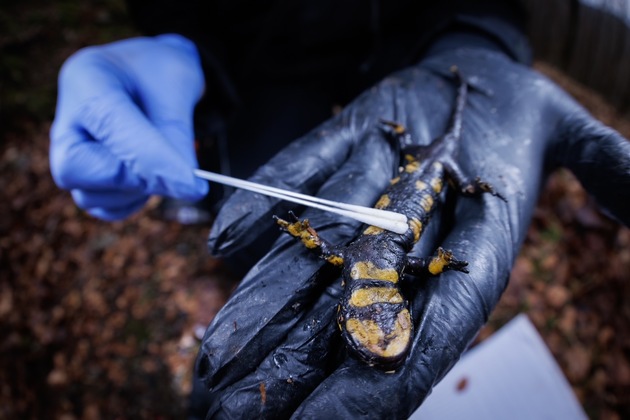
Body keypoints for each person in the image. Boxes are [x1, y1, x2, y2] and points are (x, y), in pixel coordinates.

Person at [50, 0, 630, 418]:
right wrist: (182, 38)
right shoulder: (374, 279)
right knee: (259, 217)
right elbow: (401, 266)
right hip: (259, 74)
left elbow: (338, 252)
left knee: (303, 222)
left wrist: (480, 36)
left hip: (425, 60)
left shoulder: (361, 276)